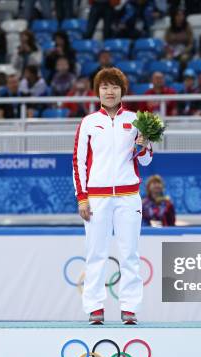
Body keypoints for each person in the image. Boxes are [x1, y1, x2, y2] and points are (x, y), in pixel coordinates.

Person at [72, 67, 153, 325]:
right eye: (104, 87)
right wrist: (82, 198)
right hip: (97, 198)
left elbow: (147, 160)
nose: (109, 92)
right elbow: (79, 162)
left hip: (129, 195)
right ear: (97, 91)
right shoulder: (88, 122)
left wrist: (145, 144)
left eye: (114, 87)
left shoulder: (136, 119)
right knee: (96, 254)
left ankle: (129, 308)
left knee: (130, 253)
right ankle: (94, 308)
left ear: (122, 91)